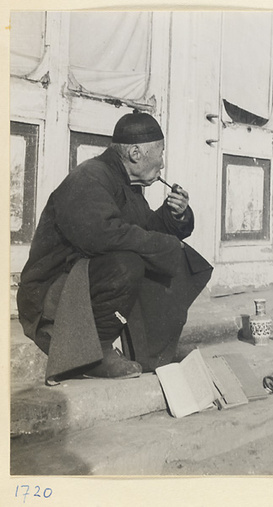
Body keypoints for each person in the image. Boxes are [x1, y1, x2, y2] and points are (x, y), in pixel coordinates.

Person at [17, 112, 213, 384]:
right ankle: (95, 352)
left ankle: (149, 350)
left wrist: (174, 217)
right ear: (135, 153)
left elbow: (142, 230)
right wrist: (165, 245)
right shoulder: (89, 177)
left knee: (157, 256)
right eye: (160, 153)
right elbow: (104, 237)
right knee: (127, 263)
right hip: (48, 294)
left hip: (80, 281)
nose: (163, 163)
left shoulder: (123, 182)